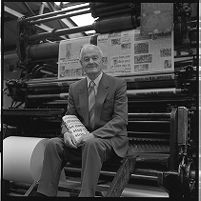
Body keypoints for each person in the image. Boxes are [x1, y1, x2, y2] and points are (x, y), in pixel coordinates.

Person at [35, 44, 129, 197]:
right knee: (53, 144)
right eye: (86, 59)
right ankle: (45, 194)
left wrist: (93, 135)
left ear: (102, 60)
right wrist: (66, 133)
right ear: (81, 64)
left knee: (92, 144)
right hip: (82, 140)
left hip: (108, 140)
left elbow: (120, 120)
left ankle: (86, 194)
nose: (91, 62)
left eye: (94, 58)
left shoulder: (117, 84)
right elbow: (69, 117)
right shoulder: (75, 88)